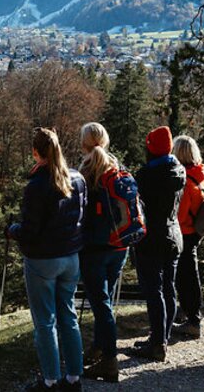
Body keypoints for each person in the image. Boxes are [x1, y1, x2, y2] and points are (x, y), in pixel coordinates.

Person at [7, 128, 86, 391]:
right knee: (68, 315)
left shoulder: (37, 186)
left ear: (35, 152)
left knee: (45, 321)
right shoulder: (77, 179)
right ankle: (74, 378)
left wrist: (12, 230)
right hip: (71, 257)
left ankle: (51, 381)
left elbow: (30, 231)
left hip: (43, 261)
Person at [76, 122, 130, 382]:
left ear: (83, 143)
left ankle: (109, 360)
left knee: (101, 303)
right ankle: (99, 347)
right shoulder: (117, 166)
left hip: (95, 247)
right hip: (120, 244)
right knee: (104, 297)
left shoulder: (86, 172)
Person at [131, 126, 185, 361]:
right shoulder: (179, 171)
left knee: (153, 291)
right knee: (168, 288)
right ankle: (162, 336)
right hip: (173, 235)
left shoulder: (146, 176)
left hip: (151, 238)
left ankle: (157, 343)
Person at [172, 135, 204, 339]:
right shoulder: (201, 171)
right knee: (188, 272)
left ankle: (193, 318)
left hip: (185, 231)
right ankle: (189, 313)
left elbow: (180, 214)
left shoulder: (185, 181)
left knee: (185, 274)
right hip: (197, 229)